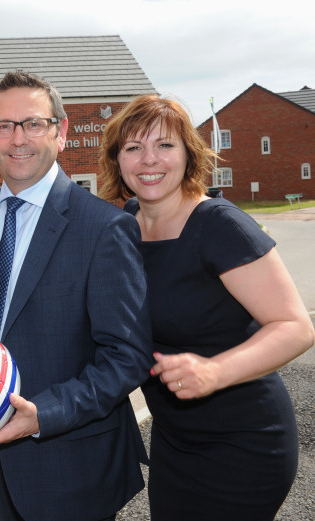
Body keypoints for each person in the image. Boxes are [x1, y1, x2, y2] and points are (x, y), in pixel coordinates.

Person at [98, 94, 315, 520]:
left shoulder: (219, 225)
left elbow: (295, 326)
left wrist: (215, 372)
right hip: (173, 440)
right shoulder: (125, 224)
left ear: (187, 154)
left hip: (243, 442)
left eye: (165, 145)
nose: (149, 160)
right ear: (117, 159)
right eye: (133, 147)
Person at [0, 70, 153, 521]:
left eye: (33, 123)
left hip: (73, 463)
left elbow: (127, 357)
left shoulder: (104, 227)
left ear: (61, 132)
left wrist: (43, 414)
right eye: (2, 126)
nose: (17, 138)